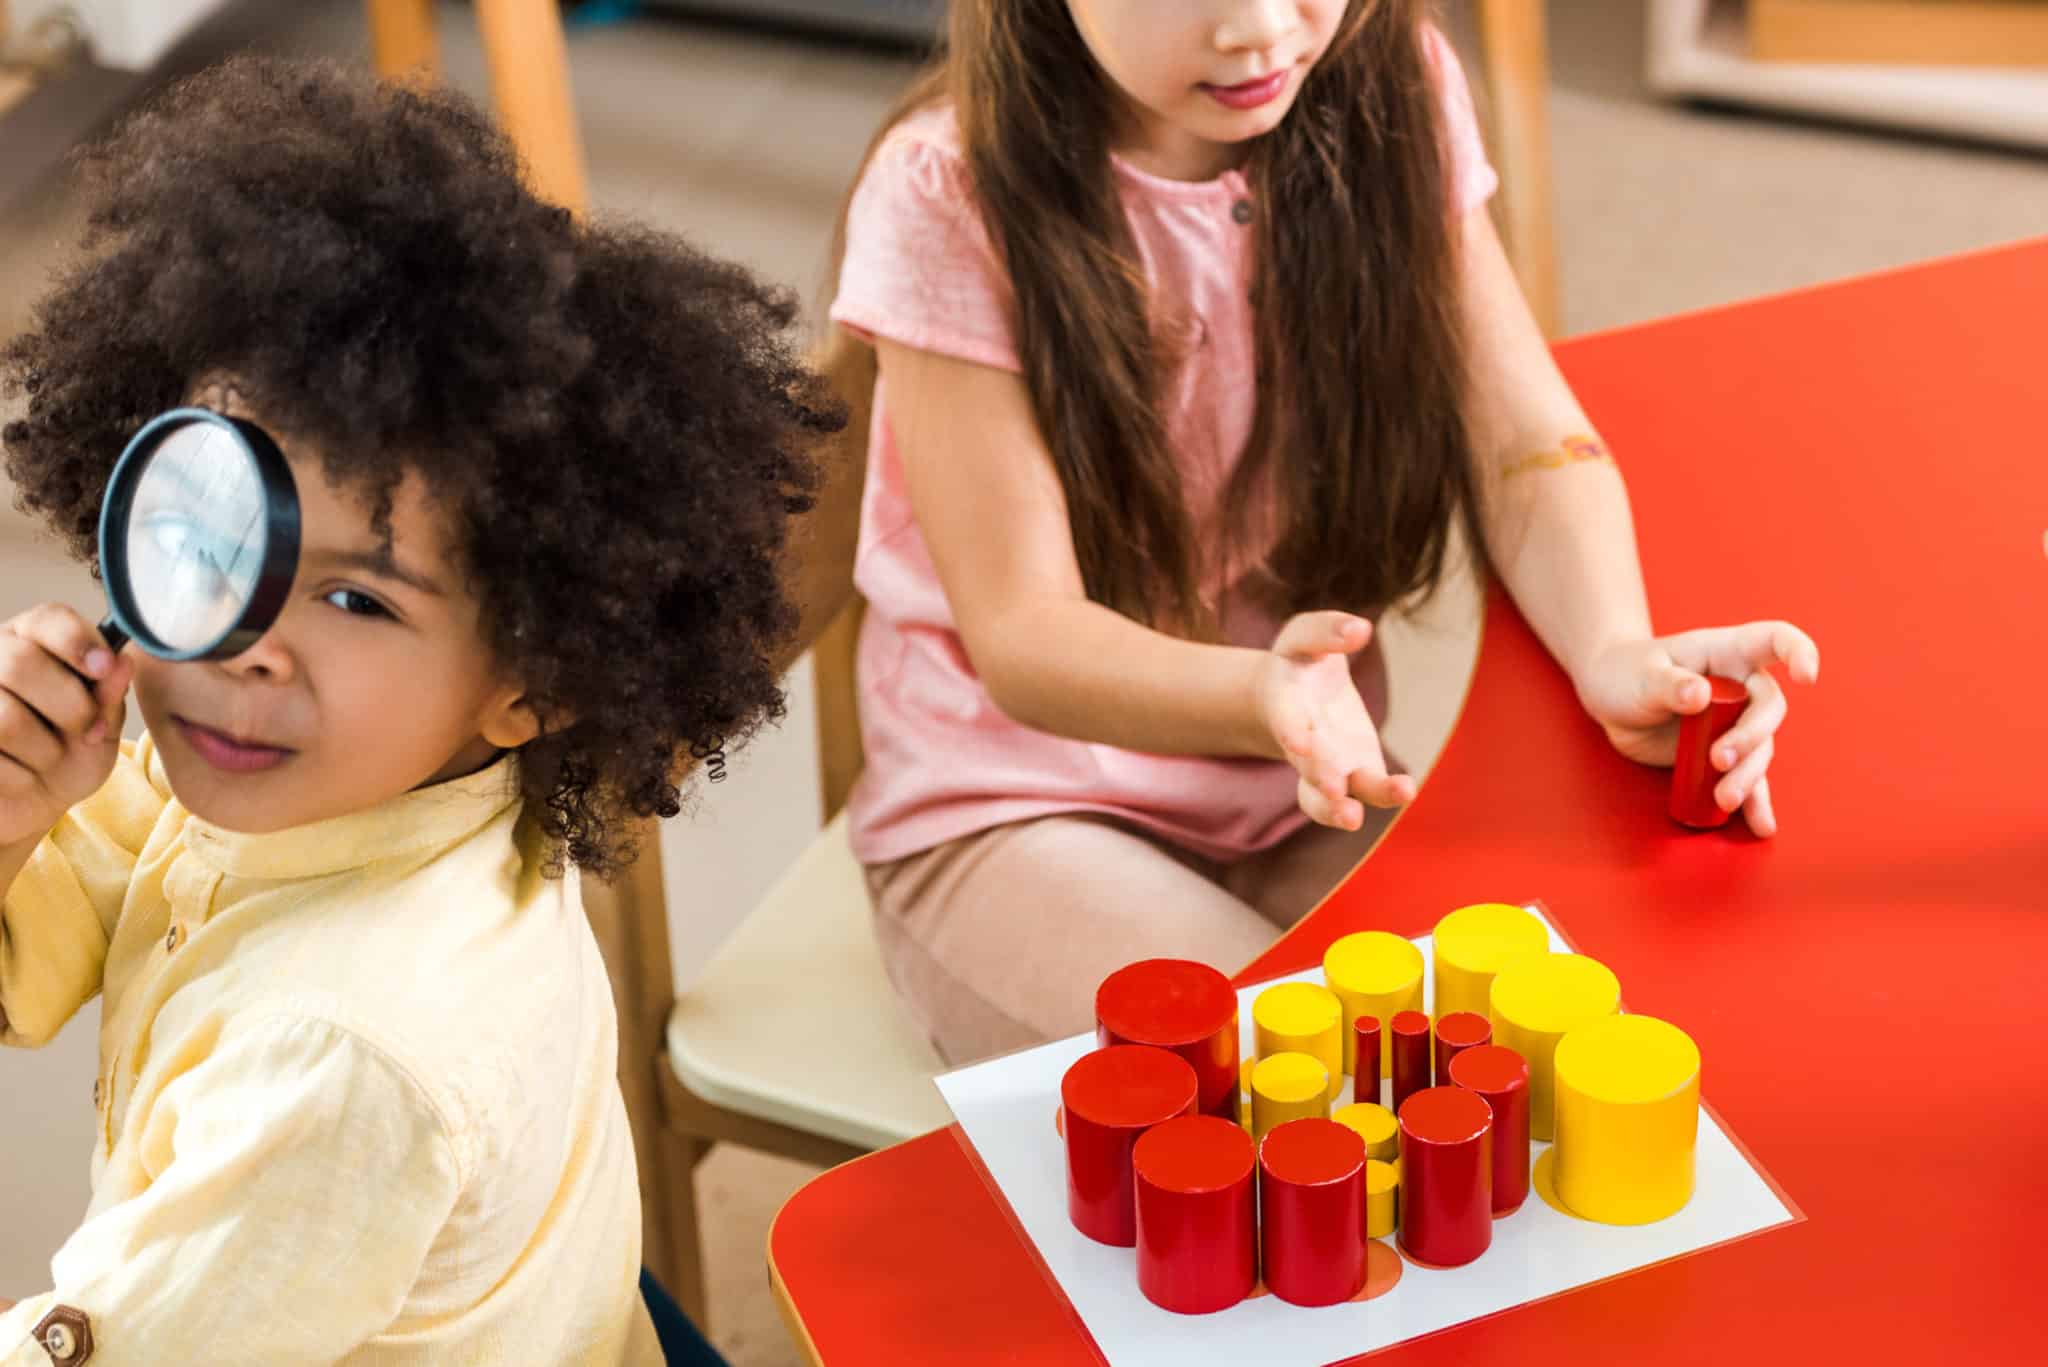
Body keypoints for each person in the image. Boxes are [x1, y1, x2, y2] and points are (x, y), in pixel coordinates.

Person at [0, 57, 840, 1364]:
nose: (252, 642)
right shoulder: (324, 759)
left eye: (359, 603)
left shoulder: (340, 1057)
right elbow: (42, 946)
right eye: (214, 537)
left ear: (535, 681)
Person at [824, 0, 1821, 1065]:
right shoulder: (946, 190)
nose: (1257, 27)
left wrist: (1615, 650)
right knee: (1310, 1088)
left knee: (1531, 1045)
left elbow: (1523, 446)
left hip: (1295, 790)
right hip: (1009, 809)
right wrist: (1259, 697)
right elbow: (1025, 635)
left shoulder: (1392, 87)